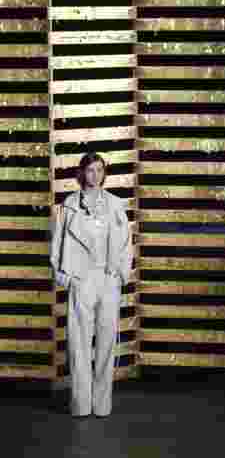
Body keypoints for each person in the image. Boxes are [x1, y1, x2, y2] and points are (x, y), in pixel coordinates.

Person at [49, 152, 132, 417]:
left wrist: (120, 274)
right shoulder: (69, 205)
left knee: (107, 342)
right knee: (79, 343)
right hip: (81, 279)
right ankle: (81, 404)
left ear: (104, 173)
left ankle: (103, 404)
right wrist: (67, 277)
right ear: (82, 173)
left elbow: (126, 244)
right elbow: (57, 244)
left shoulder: (116, 205)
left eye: (99, 170)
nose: (95, 175)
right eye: (90, 170)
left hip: (107, 278)